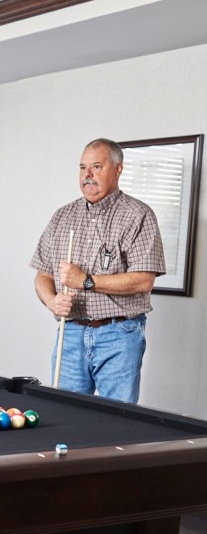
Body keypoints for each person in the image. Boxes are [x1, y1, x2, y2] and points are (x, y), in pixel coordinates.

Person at [30, 138, 165, 402]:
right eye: (82, 168)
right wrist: (51, 301)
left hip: (119, 335)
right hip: (70, 332)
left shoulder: (138, 215)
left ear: (118, 169)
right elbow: (43, 274)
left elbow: (143, 281)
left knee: (118, 422)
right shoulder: (62, 216)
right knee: (65, 414)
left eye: (96, 167)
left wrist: (86, 281)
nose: (87, 175)